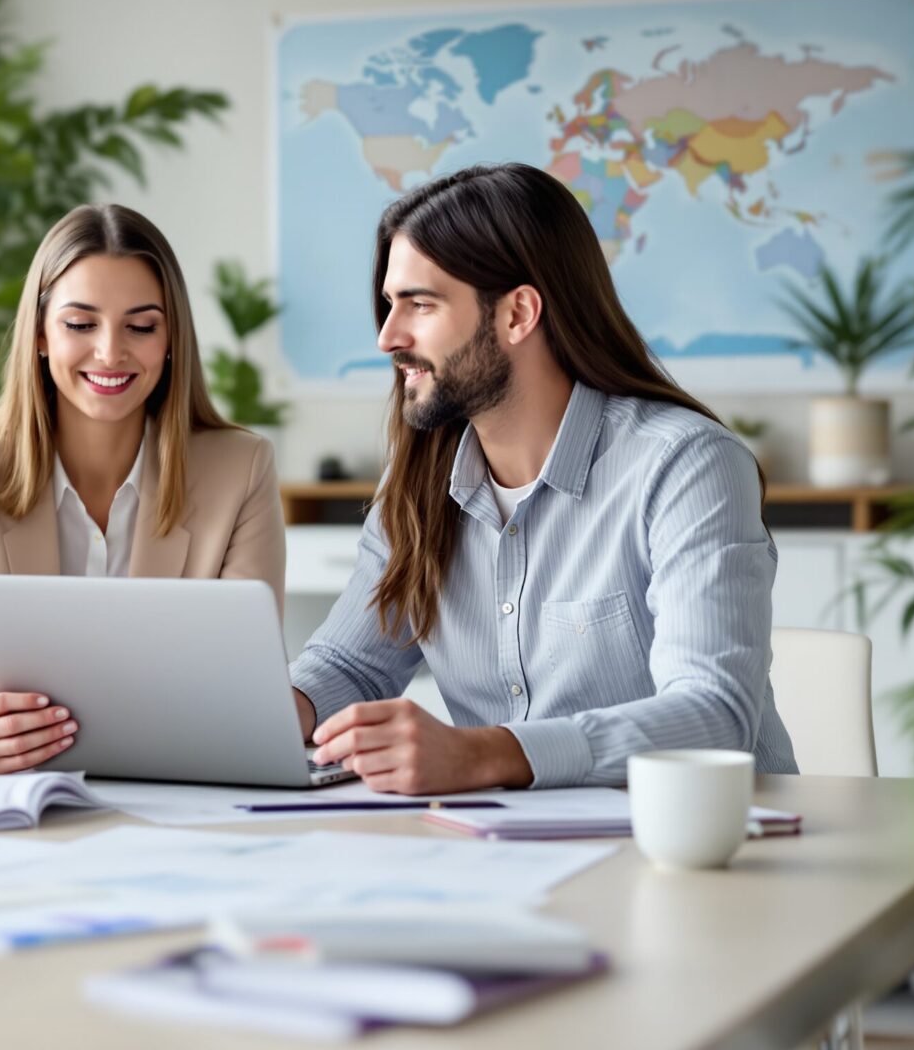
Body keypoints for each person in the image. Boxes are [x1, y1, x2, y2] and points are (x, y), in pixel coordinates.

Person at [292, 163, 798, 794]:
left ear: (518, 314)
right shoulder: (418, 480)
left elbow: (713, 715)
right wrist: (271, 712)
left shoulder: (686, 464)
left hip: (706, 848)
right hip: (511, 854)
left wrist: (485, 755)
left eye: (420, 304)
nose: (389, 336)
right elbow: (352, 663)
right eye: (391, 304)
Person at [0, 204, 286, 772]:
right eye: (80, 324)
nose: (109, 351)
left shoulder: (241, 468)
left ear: (171, 337)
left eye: (141, 326)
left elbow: (245, 676)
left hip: (181, 784)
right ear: (41, 336)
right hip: (20, 789)